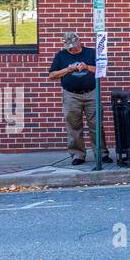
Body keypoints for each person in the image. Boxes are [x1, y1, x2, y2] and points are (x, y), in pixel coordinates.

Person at [47, 32, 112, 166]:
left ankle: (101, 154)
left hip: (91, 93)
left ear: (79, 41)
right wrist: (67, 69)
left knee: (96, 125)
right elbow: (52, 75)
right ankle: (78, 155)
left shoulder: (91, 53)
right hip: (71, 95)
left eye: (74, 46)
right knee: (74, 126)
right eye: (69, 47)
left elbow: (102, 70)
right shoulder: (61, 55)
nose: (72, 49)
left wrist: (87, 67)